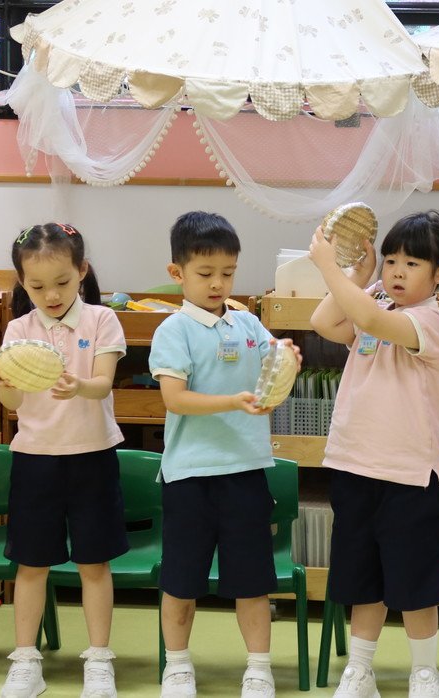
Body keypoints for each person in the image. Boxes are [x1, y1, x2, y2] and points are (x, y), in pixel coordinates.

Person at [310, 209, 439, 698]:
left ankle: (424, 672)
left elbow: (370, 319)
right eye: (391, 260)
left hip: (409, 475)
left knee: (415, 582)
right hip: (355, 465)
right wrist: (357, 276)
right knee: (363, 577)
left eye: (412, 264)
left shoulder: (432, 320)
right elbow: (323, 321)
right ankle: (360, 671)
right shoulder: (374, 299)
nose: (396, 271)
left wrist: (328, 266)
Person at [150, 211, 300, 698]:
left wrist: (289, 360)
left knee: (252, 582)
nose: (218, 283)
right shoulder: (173, 330)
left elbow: (274, 366)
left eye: (228, 273)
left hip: (246, 472)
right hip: (189, 476)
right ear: (177, 273)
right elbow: (175, 399)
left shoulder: (248, 322)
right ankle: (177, 666)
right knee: (181, 582)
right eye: (206, 273)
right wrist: (233, 402)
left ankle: (259, 668)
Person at [0, 223, 128, 698]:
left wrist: (78, 385)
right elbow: (13, 402)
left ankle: (99, 660)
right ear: (22, 283)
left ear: (82, 271)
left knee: (95, 564)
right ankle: (25, 661)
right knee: (31, 564)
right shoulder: (18, 330)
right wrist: (2, 381)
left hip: (93, 456)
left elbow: (103, 384)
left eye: (62, 282)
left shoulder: (102, 320)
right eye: (37, 286)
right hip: (36, 460)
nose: (51, 295)